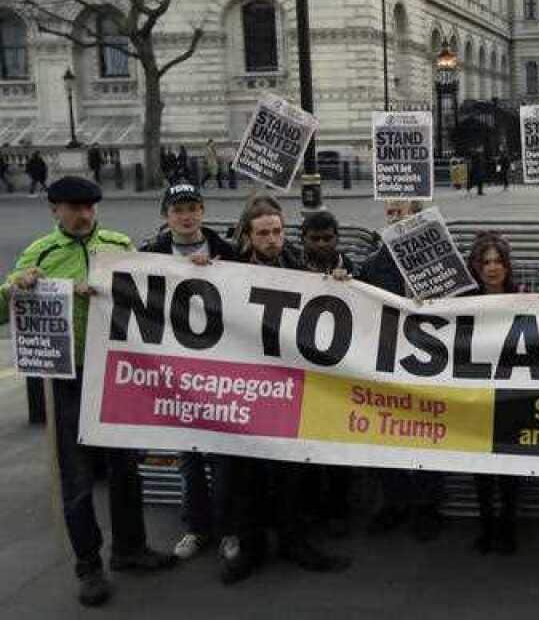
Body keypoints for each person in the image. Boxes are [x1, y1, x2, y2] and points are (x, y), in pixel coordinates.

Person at [0, 177, 175, 606]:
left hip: (115, 371)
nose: (84, 215)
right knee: (76, 477)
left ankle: (130, 549)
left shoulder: (117, 244)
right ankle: (88, 566)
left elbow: (154, 286)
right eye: (74, 207)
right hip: (67, 378)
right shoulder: (39, 253)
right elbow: (3, 303)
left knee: (125, 468)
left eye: (89, 207)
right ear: (54, 210)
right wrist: (15, 286)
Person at [217, 198, 349, 584]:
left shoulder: (299, 268)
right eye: (263, 233)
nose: (272, 239)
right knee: (245, 473)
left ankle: (294, 541)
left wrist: (338, 285)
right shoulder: (228, 269)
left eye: (277, 231)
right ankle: (251, 547)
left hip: (288, 384)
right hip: (243, 385)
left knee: (290, 471)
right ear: (247, 235)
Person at [139, 184, 238, 562]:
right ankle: (197, 527)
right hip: (176, 370)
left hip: (223, 367)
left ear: (203, 211)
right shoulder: (150, 255)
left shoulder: (225, 251)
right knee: (190, 456)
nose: (187, 216)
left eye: (193, 208)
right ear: (166, 215)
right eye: (179, 210)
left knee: (225, 454)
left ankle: (228, 528)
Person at [356, 199, 448, 542]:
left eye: (403, 213)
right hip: (387, 362)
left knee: (430, 433)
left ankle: (427, 506)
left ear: (418, 217)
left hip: (431, 363)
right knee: (387, 432)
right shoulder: (372, 266)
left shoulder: (440, 259)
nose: (395, 219)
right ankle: (394, 502)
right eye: (391, 213)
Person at [465, 232, 524, 554]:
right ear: (476, 266)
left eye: (498, 261)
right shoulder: (461, 302)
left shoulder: (524, 297)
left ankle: (508, 525)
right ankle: (486, 525)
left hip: (512, 394)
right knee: (482, 468)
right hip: (477, 394)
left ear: (507, 265)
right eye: (485, 262)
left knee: (509, 468)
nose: (492, 268)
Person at [298, 210, 356, 537]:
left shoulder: (354, 269)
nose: (321, 244)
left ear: (337, 238)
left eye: (327, 238)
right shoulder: (290, 268)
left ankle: (338, 509)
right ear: (303, 239)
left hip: (340, 374)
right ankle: (310, 509)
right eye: (314, 239)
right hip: (303, 372)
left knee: (337, 450)